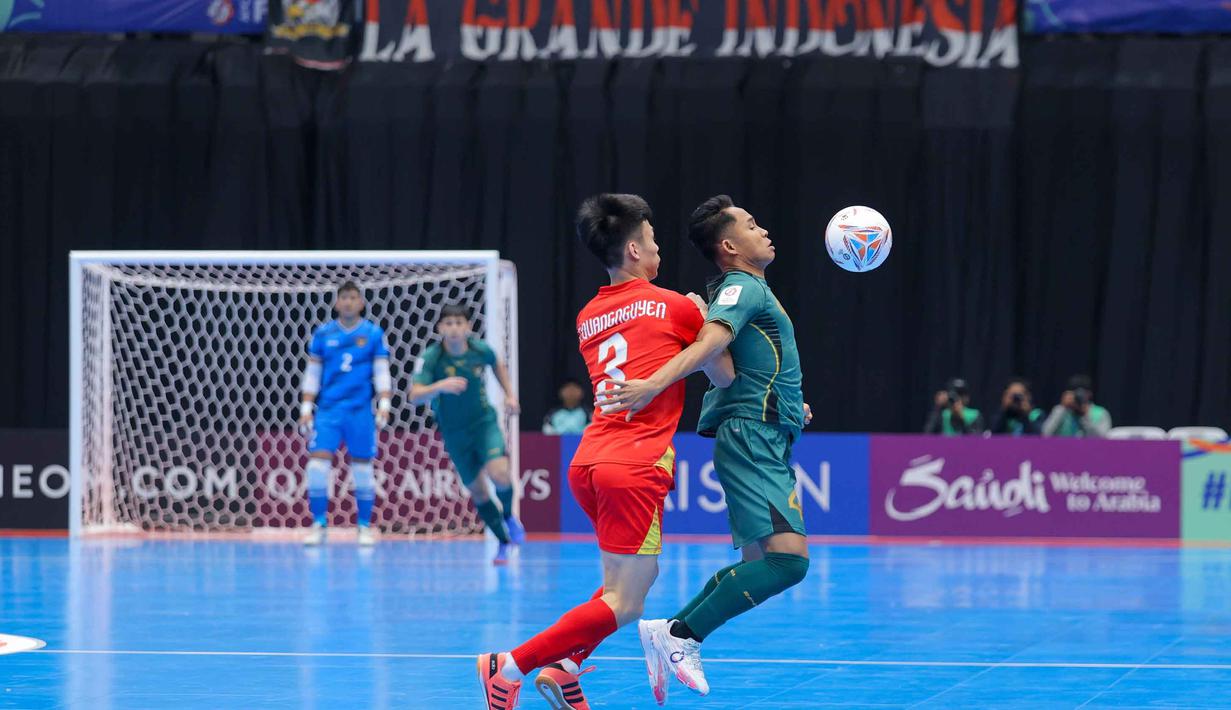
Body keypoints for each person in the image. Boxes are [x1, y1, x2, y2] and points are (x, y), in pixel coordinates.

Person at [476, 193, 734, 710]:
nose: (659, 246)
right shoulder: (675, 306)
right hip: (635, 463)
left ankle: (565, 667)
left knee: (629, 582)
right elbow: (723, 376)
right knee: (626, 603)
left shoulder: (588, 314)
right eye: (654, 239)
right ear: (635, 249)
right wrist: (707, 323)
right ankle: (509, 666)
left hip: (591, 460)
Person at [601, 195, 813, 700]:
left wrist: (789, 402)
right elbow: (710, 345)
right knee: (789, 562)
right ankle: (682, 634)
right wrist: (651, 383)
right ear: (729, 245)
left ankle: (669, 632)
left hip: (764, 429)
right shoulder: (741, 287)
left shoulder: (748, 286)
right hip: (751, 437)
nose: (764, 230)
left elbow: (743, 364)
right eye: (751, 224)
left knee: (761, 560)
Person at [410, 304, 523, 564]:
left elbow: (498, 365)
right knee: (479, 492)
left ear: (468, 327)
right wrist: (439, 386)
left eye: (459, 323)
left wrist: (509, 395)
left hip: (483, 424)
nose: (454, 328)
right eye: (448, 323)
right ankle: (504, 543)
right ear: (440, 328)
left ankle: (507, 515)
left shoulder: (479, 350)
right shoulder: (432, 358)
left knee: (500, 474)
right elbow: (414, 396)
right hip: (454, 433)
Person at [298, 282, 392, 547]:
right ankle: (319, 524)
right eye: (344, 298)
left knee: (362, 469)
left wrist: (384, 403)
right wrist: (306, 408)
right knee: (316, 467)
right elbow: (313, 372)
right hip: (328, 410)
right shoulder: (323, 333)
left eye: (353, 298)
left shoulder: (373, 333)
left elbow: (382, 370)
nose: (349, 302)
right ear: (337, 303)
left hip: (360, 411)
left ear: (361, 302)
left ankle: (363, 526)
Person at [1043, 374, 1112, 438]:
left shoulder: (1101, 413)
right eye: (1074, 393)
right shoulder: (1061, 410)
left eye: (1081, 393)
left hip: (1090, 450)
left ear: (1090, 394)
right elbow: (1045, 434)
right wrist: (1062, 408)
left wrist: (1085, 415)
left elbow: (1103, 440)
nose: (1077, 396)